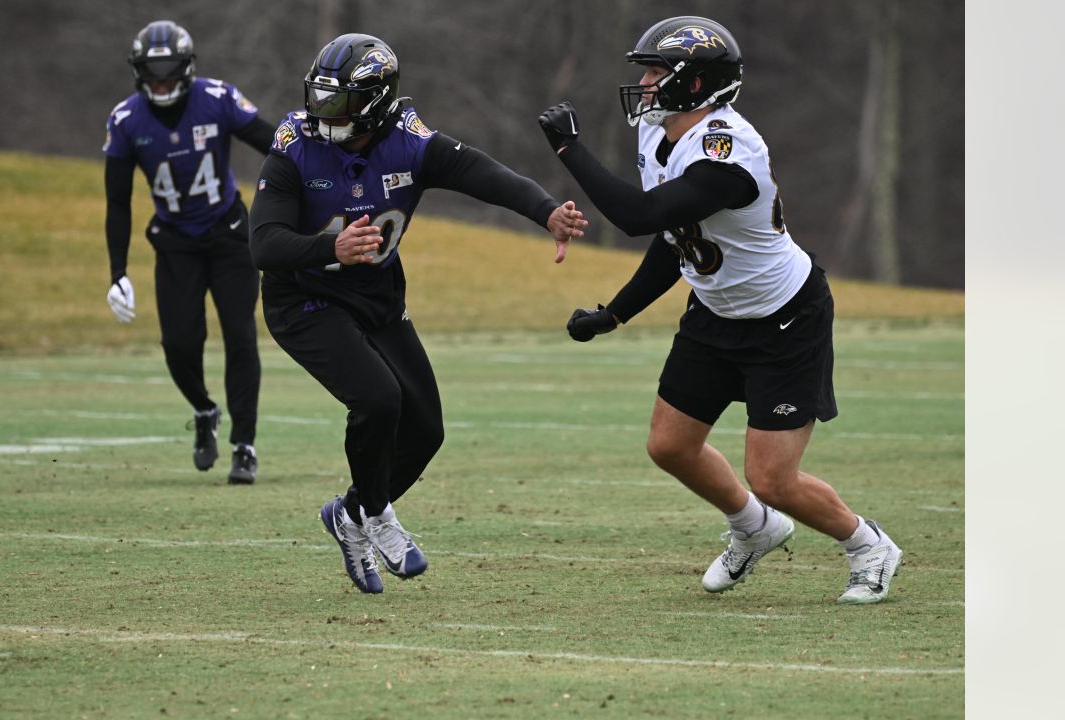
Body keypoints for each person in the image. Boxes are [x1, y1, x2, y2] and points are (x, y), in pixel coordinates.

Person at [536, 16, 902, 604]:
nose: (647, 83)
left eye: (657, 71)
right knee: (670, 446)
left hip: (784, 318)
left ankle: (868, 546)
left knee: (773, 478)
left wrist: (567, 149)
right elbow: (674, 237)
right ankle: (755, 528)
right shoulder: (660, 135)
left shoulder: (727, 151)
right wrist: (616, 314)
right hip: (714, 310)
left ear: (697, 84)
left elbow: (638, 218)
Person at [250, 33, 588, 593]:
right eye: (320, 98)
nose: (323, 114)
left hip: (376, 296)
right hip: (303, 299)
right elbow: (263, 245)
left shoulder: (412, 143)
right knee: (379, 398)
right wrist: (325, 249)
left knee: (426, 429)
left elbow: (487, 176)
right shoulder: (294, 147)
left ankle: (350, 513)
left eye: (341, 103)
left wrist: (547, 211)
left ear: (378, 103)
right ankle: (378, 514)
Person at [103, 20, 275, 484]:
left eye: (169, 72)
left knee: (240, 334)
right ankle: (204, 410)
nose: (160, 82)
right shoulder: (126, 121)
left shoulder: (217, 99)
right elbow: (118, 202)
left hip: (227, 234)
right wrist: (117, 271)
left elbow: (274, 144)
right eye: (151, 74)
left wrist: (305, 185)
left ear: (187, 69)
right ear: (138, 73)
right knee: (179, 343)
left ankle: (245, 445)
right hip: (175, 241)